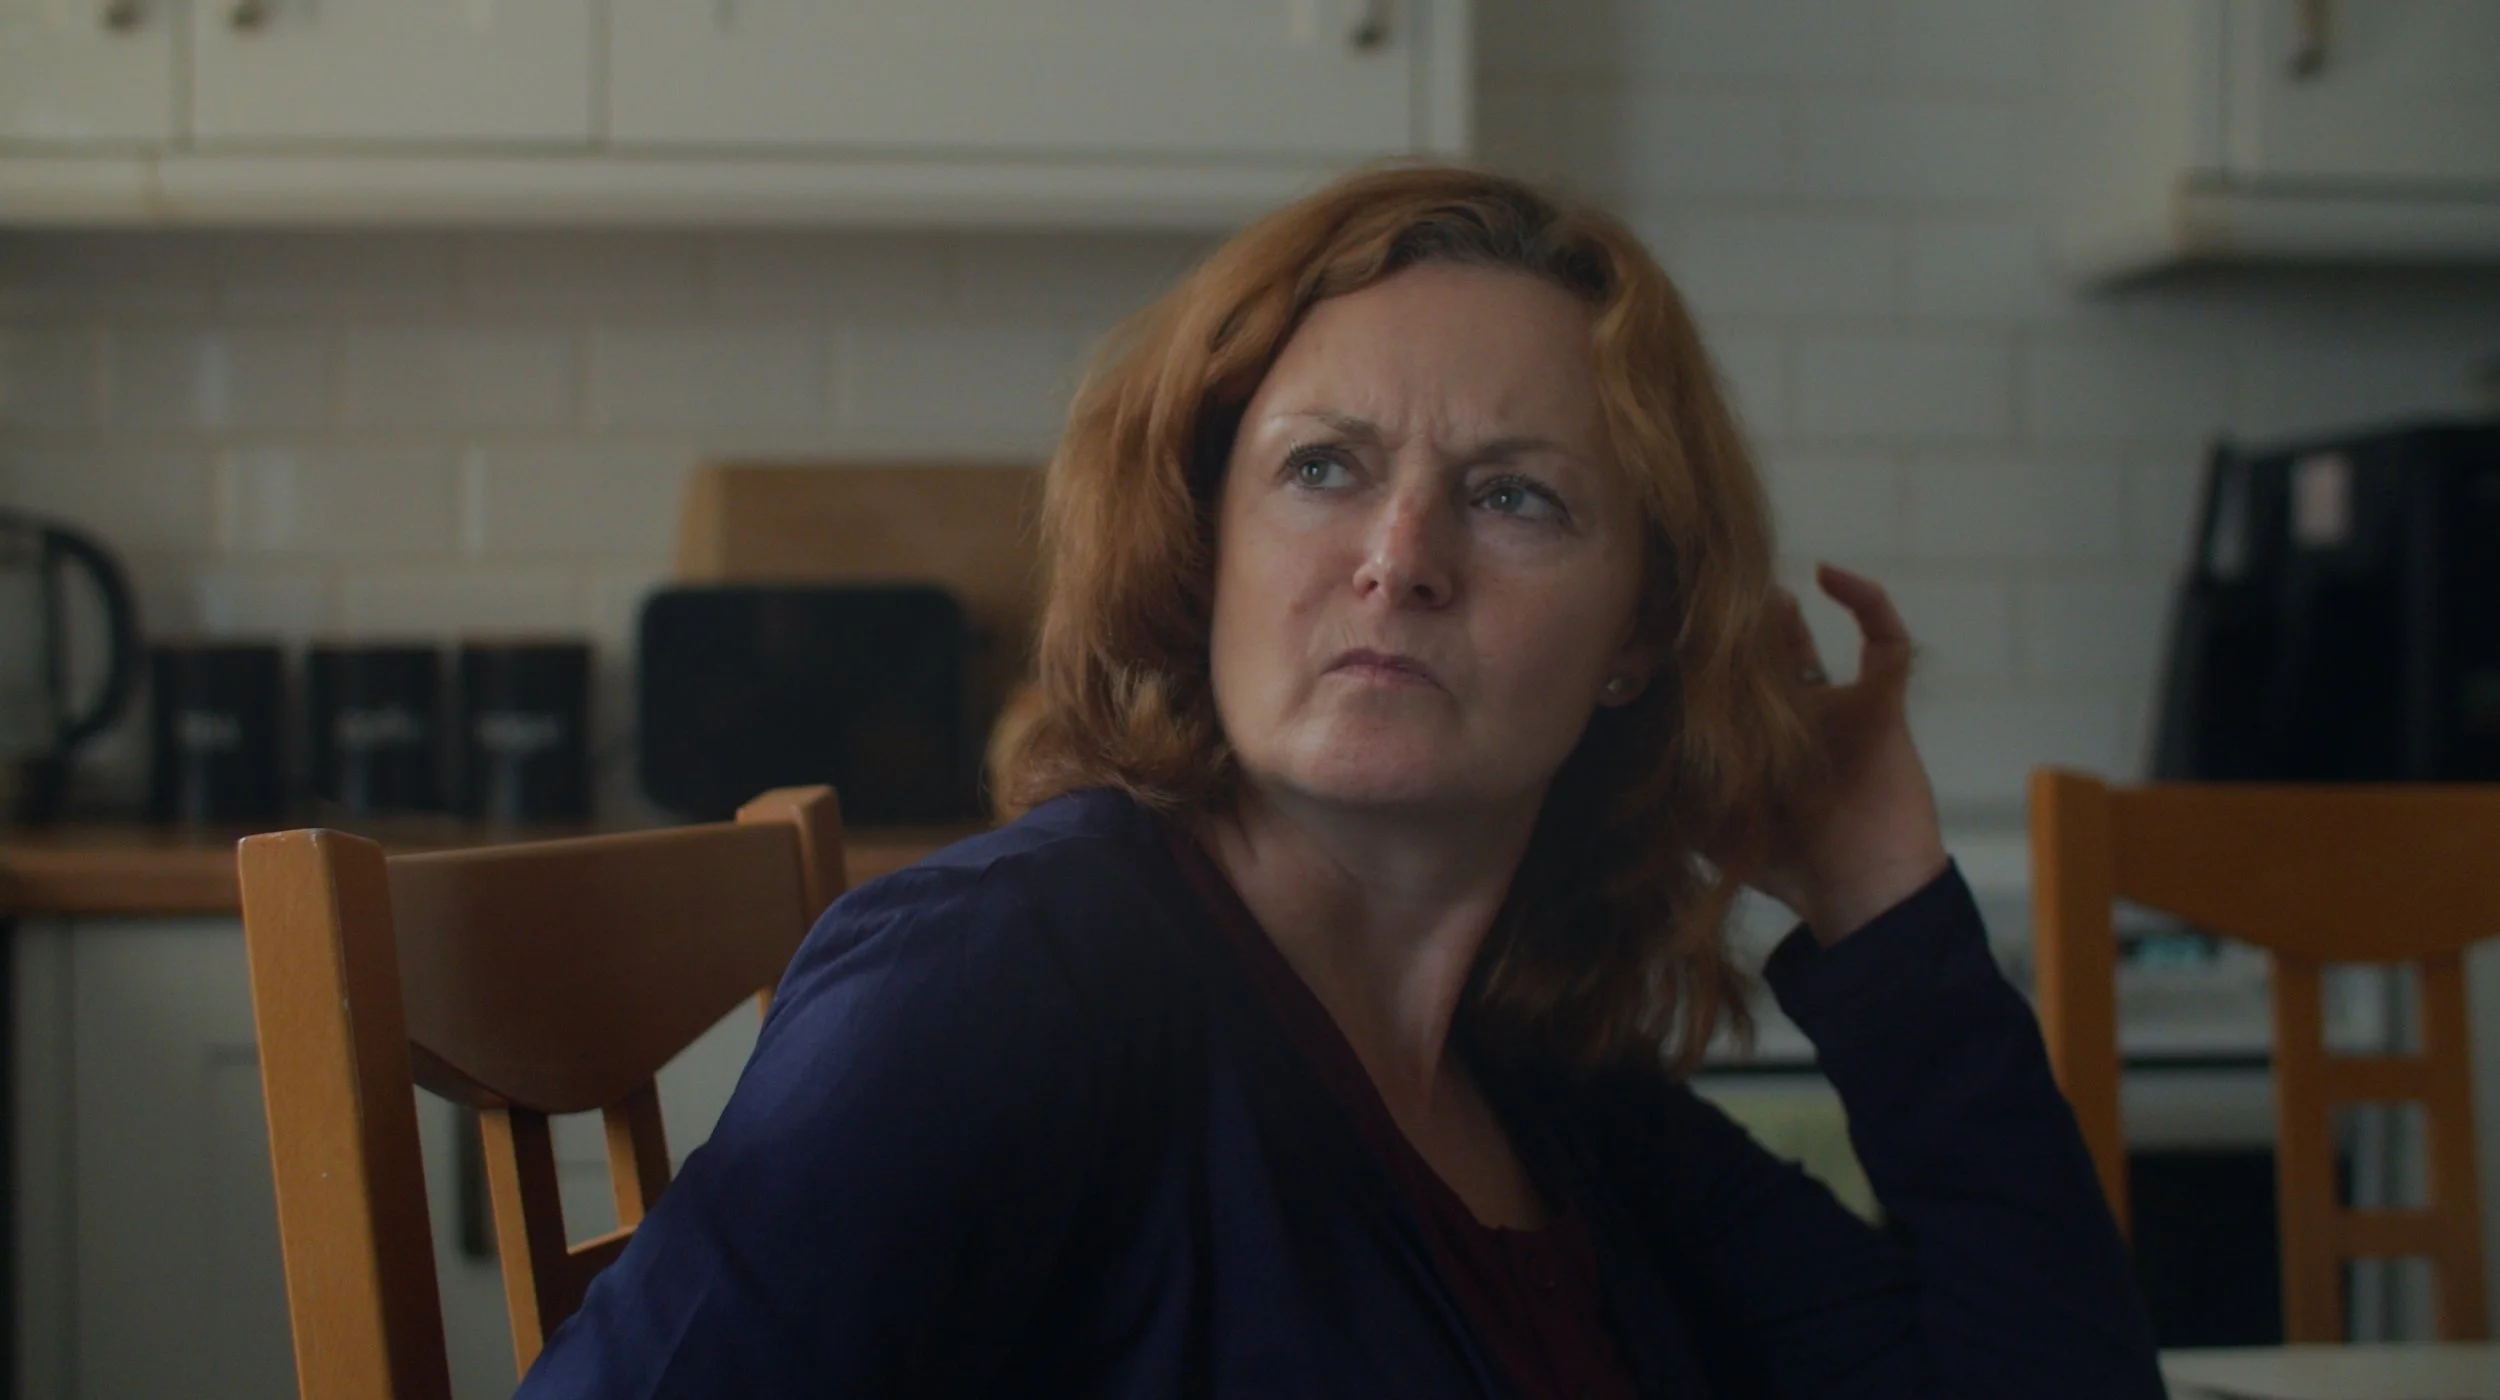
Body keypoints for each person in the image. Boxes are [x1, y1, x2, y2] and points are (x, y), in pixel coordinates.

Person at [517, 165, 2163, 1397]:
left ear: (1640, 633)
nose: (1400, 560)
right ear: (1203, 545)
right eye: (1323, 469)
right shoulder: (1005, 977)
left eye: (1517, 499)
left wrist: (1879, 896)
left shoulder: (1542, 1093)